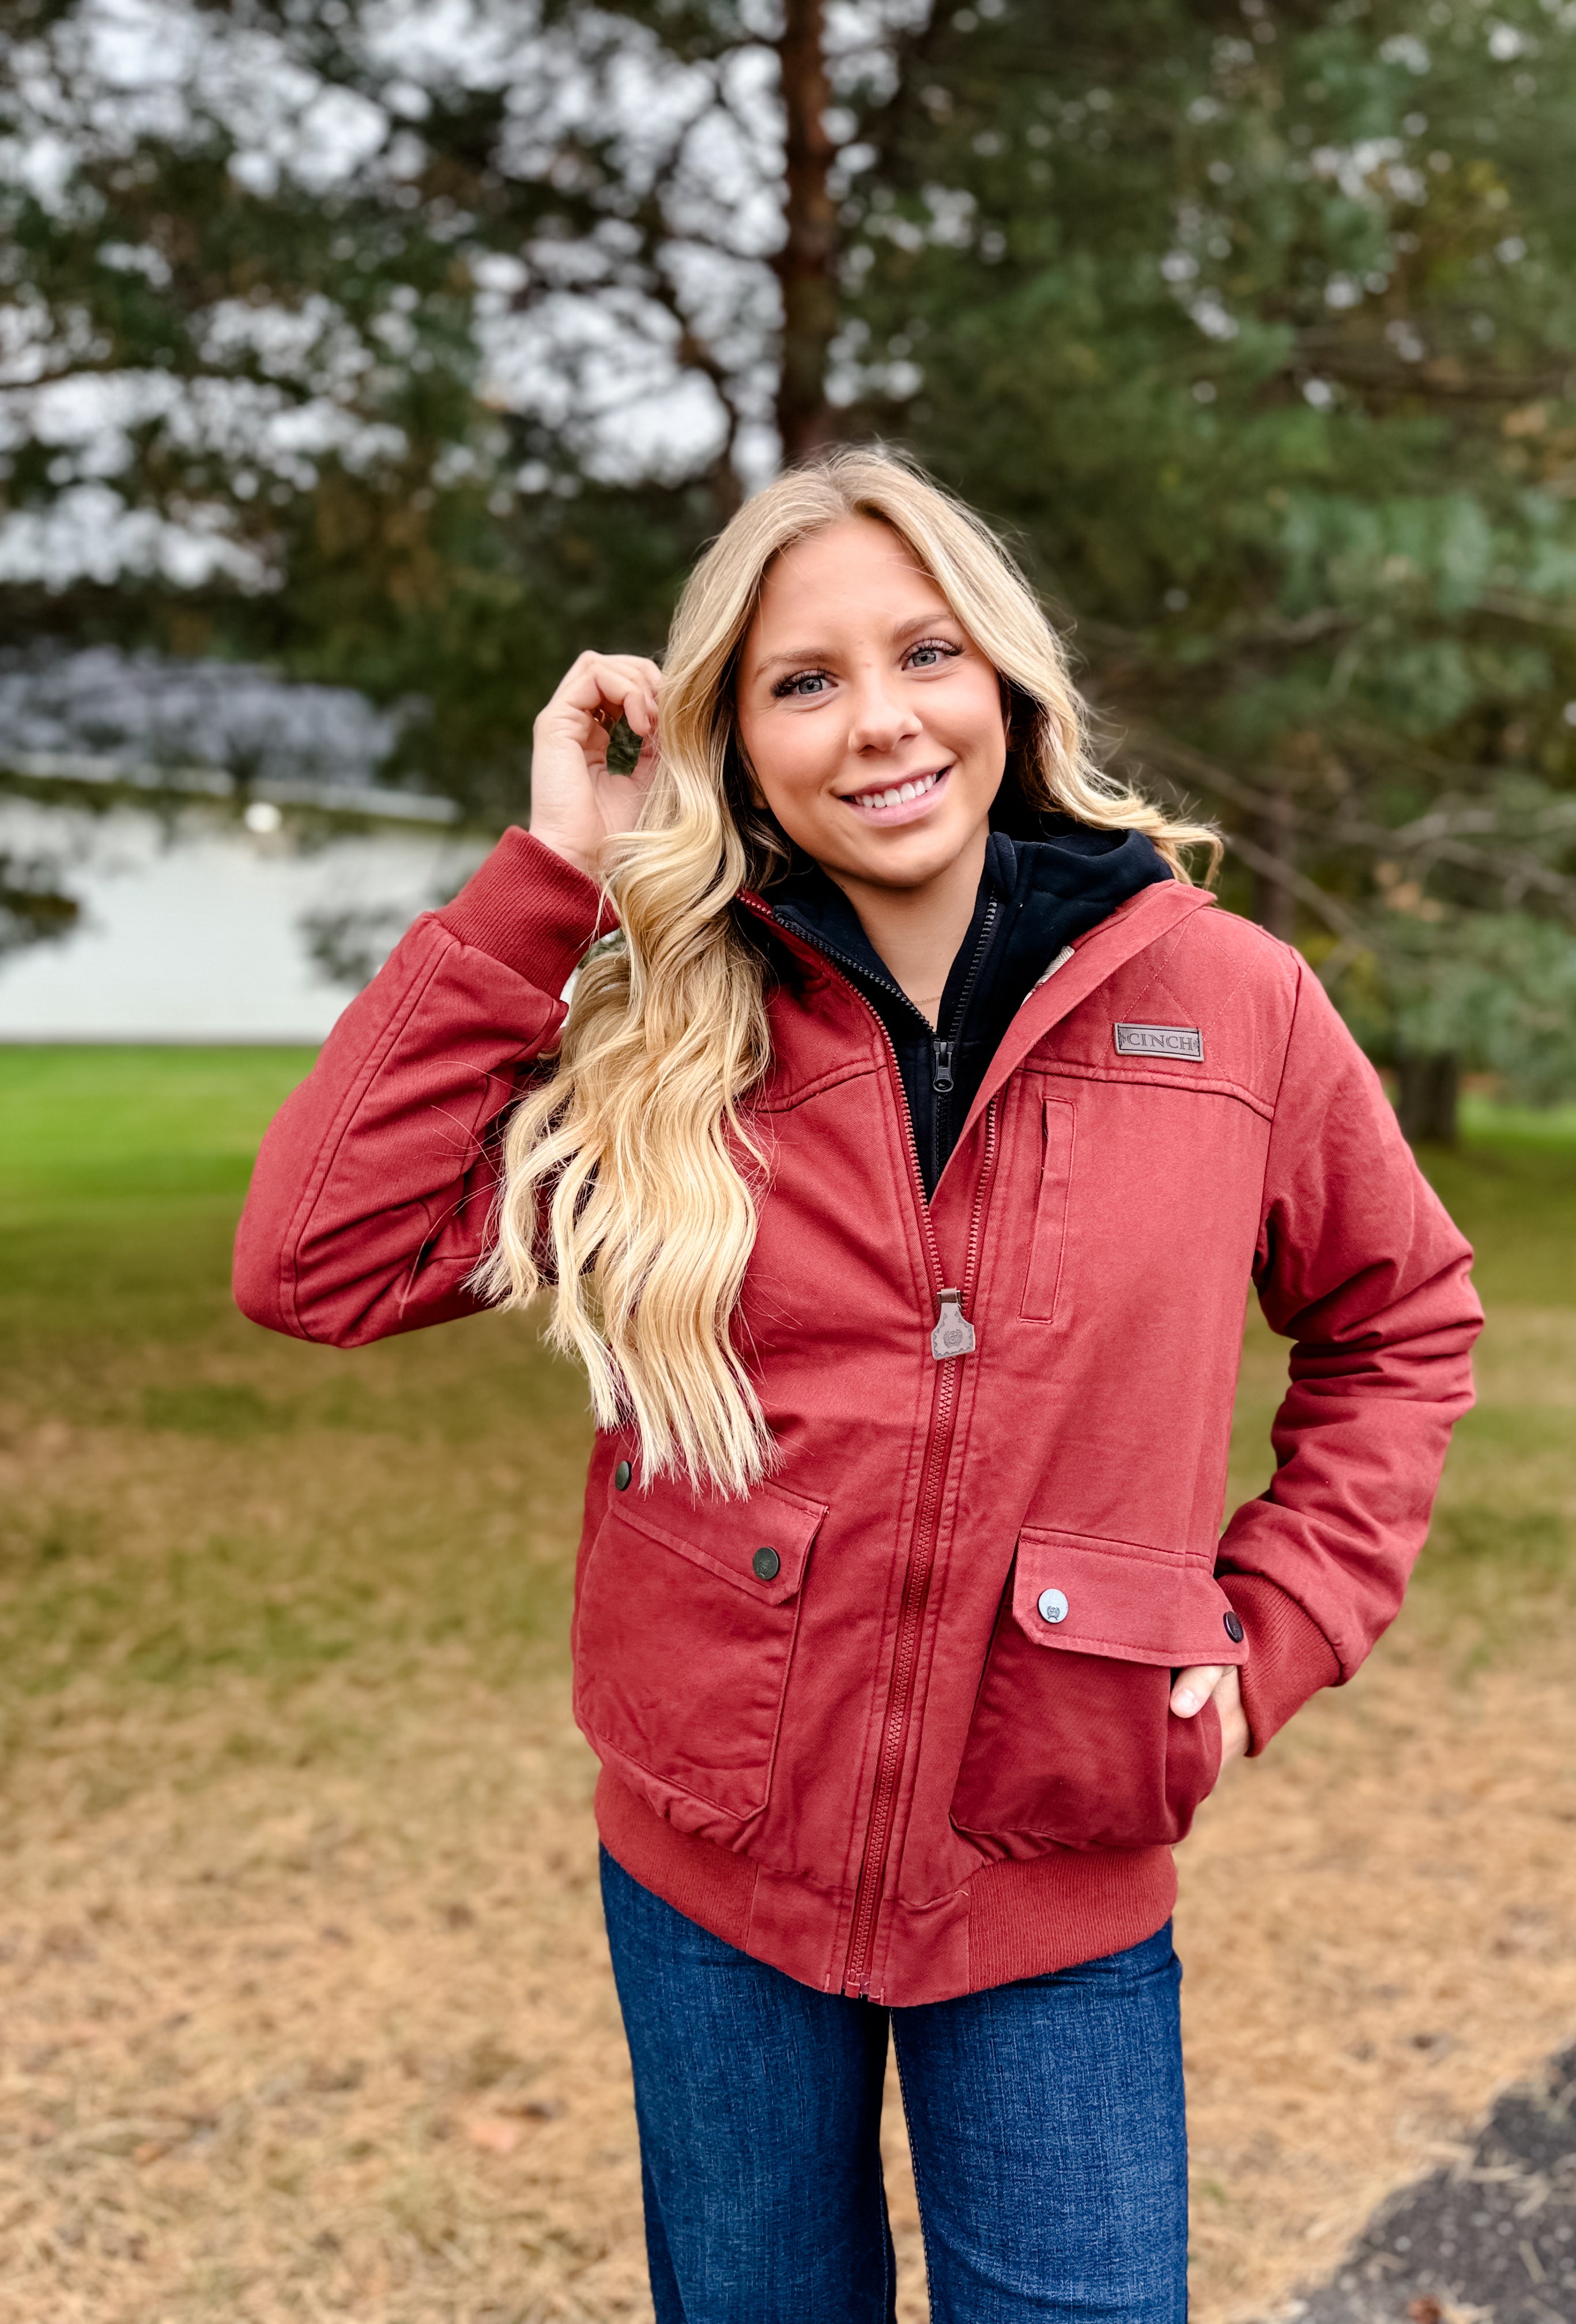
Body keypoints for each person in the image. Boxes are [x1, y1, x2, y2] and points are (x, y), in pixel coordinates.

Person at [234, 448, 1483, 2323]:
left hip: (1057, 1852)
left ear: (1006, 684)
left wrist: (1272, 1629)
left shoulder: (1230, 1005)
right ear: (736, 737)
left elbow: (1404, 1318)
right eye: (804, 681)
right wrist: (555, 875)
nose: (879, 721)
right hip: (715, 1882)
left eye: (925, 654)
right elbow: (315, 1260)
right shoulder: (663, 1033)